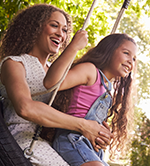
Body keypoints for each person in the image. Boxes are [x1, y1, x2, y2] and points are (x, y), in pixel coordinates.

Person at [0, 4, 113, 166]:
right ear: (35, 28)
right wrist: (83, 126)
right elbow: (25, 108)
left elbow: (76, 109)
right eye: (54, 25)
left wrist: (98, 132)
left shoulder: (56, 73)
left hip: (52, 143)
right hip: (23, 142)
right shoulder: (15, 63)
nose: (60, 34)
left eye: (64, 30)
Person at [44, 33, 137, 166]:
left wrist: (103, 136)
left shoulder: (107, 91)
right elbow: (52, 83)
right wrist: (74, 47)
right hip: (71, 140)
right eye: (126, 53)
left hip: (91, 148)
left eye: (134, 58)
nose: (130, 61)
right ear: (109, 50)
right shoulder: (90, 71)